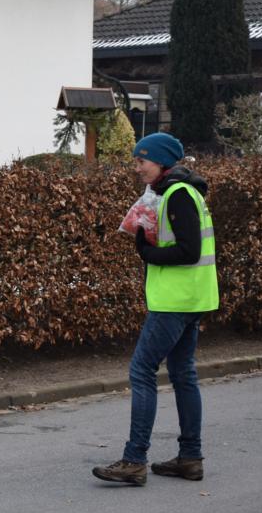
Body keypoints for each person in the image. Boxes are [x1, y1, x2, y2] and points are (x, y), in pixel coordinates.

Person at [93, 132, 219, 487]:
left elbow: (188, 251)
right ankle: (190, 458)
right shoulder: (181, 191)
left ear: (161, 161)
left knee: (142, 371)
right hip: (193, 298)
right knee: (183, 374)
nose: (137, 167)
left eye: (141, 161)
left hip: (174, 301)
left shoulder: (177, 195)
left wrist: (146, 252)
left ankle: (134, 460)